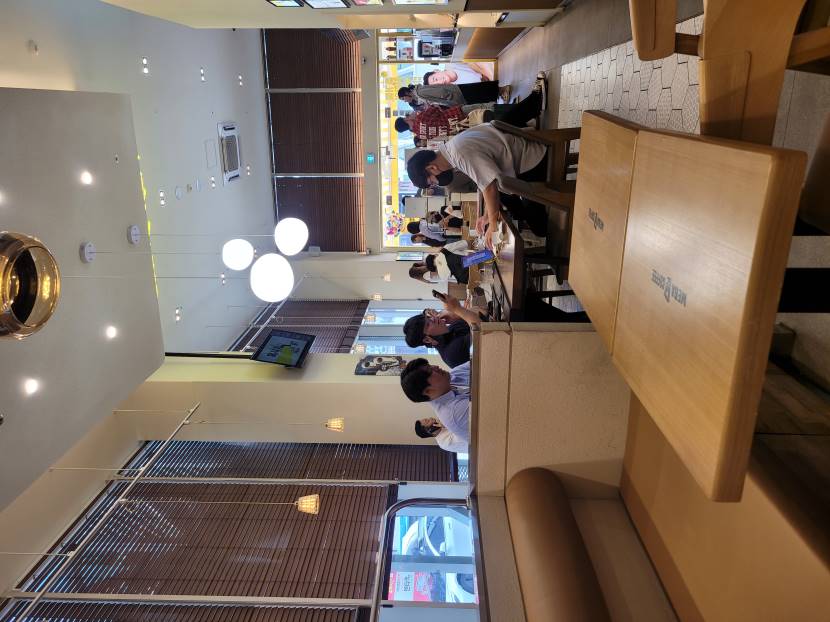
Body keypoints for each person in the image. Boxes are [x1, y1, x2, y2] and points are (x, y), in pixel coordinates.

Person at [406, 74, 550, 249]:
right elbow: (485, 181)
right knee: (513, 205)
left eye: (431, 181)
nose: (436, 183)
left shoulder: (459, 155)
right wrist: (487, 216)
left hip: (531, 161)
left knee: (539, 228)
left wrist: (493, 225)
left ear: (431, 168)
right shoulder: (452, 149)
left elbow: (489, 186)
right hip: (521, 154)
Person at [400, 358, 470, 444]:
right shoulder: (454, 413)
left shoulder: (452, 376)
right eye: (430, 370)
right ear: (428, 391)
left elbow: (480, 361)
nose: (436, 366)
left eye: (430, 365)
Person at [403, 307, 471, 368]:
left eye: (429, 318)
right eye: (428, 324)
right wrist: (457, 311)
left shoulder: (449, 329)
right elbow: (476, 319)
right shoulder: (453, 353)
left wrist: (456, 315)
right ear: (427, 340)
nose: (433, 318)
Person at [398, 81, 499, 108]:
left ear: (407, 93)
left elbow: (440, 92)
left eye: (403, 98)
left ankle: (502, 90)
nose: (405, 101)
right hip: (456, 94)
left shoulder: (420, 92)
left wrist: (452, 99)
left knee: (482, 92)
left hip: (456, 94)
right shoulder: (419, 95)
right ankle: (501, 90)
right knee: (481, 92)